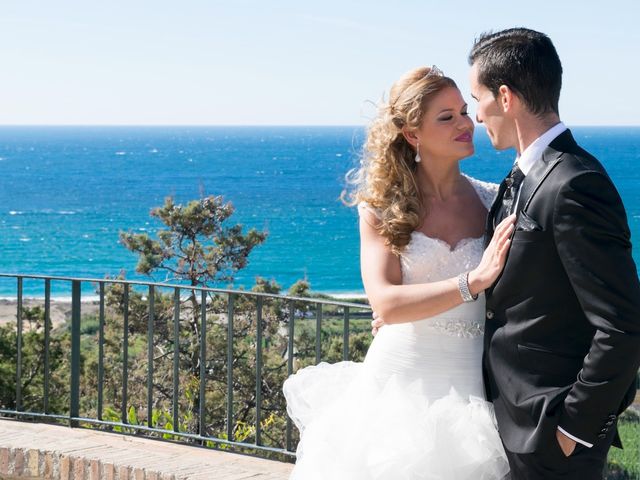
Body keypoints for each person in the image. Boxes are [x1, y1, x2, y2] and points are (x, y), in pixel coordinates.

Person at [282, 66, 514, 479]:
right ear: (412, 134)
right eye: (447, 117)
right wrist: (472, 282)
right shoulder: (380, 208)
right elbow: (385, 303)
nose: (466, 123)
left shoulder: (494, 202)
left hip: (471, 397)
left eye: (464, 110)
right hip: (396, 390)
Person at [468, 27, 640, 479]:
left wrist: (575, 428)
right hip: (507, 421)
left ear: (505, 97)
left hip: (550, 435)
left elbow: (622, 324)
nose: (476, 115)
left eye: (477, 98)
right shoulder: (522, 176)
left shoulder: (575, 183)